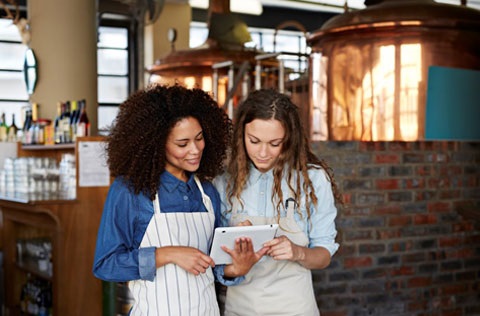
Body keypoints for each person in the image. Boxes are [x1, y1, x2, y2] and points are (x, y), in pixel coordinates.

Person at [93, 84, 243, 315]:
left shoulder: (206, 192)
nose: (195, 150)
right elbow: (106, 264)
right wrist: (167, 254)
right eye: (182, 144)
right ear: (156, 144)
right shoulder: (130, 191)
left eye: (200, 138)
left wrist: (238, 265)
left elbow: (215, 265)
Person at [213, 88, 342, 316]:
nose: (263, 152)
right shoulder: (224, 183)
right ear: (241, 135)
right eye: (254, 141)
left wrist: (297, 252)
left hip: (295, 307)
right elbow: (217, 266)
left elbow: (323, 255)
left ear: (289, 139)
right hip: (240, 308)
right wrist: (237, 261)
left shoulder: (312, 179)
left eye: (274, 143)